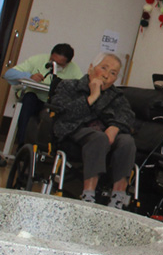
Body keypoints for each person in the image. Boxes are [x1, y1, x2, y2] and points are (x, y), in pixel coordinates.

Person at [51, 52, 136, 208]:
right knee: (99, 138)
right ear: (91, 68)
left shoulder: (116, 96)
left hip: (104, 133)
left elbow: (127, 115)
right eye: (103, 68)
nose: (106, 75)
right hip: (74, 130)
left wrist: (115, 127)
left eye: (113, 73)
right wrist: (92, 96)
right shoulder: (69, 86)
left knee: (127, 141)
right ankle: (88, 195)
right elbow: (65, 114)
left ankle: (118, 197)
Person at [3, 43, 81, 147]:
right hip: (34, 99)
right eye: (52, 61)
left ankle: (48, 149)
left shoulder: (74, 70)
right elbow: (8, 74)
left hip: (54, 103)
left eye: (59, 64)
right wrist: (29, 76)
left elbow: (80, 89)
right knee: (29, 99)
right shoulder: (38, 59)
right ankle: (22, 145)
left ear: (67, 63)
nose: (54, 66)